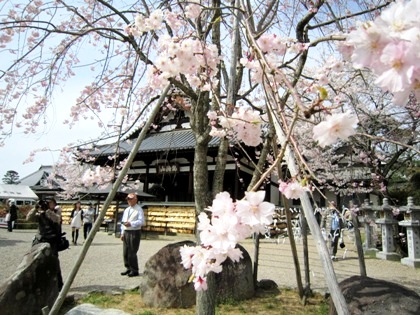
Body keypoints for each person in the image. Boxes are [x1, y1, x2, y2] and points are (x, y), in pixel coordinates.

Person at [27, 199, 64, 290]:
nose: (48, 205)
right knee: (35, 261)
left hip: (52, 241)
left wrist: (48, 211)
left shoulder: (56, 212)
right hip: (40, 239)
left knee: (54, 262)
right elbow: (29, 218)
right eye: (47, 203)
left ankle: (59, 285)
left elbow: (57, 219)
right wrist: (35, 208)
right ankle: (36, 284)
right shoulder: (40, 213)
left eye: (51, 203)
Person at [120, 193, 145, 277]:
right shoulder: (127, 209)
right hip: (126, 231)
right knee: (125, 252)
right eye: (128, 199)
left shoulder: (139, 209)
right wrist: (122, 232)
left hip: (134, 231)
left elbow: (141, 221)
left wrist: (131, 223)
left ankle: (134, 269)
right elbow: (123, 221)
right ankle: (128, 267)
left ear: (135, 199)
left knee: (132, 251)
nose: (129, 201)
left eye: (130, 199)